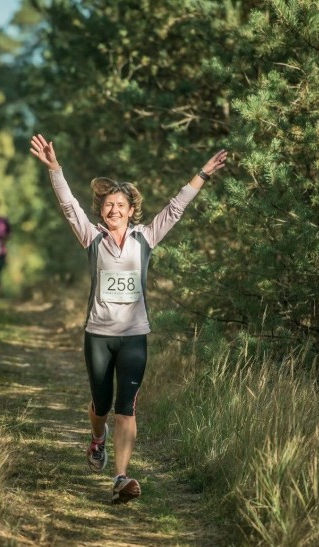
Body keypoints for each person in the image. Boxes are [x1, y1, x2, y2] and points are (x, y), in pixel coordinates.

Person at [29, 133, 227, 504]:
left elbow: (176, 207)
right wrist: (55, 168)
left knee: (126, 406)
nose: (114, 210)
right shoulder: (91, 237)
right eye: (107, 205)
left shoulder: (146, 238)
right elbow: (69, 205)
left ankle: (121, 477)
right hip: (98, 336)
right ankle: (97, 437)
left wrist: (202, 173)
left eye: (120, 204)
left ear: (131, 209)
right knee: (101, 405)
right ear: (101, 210)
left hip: (135, 336)